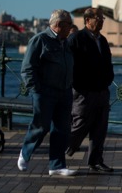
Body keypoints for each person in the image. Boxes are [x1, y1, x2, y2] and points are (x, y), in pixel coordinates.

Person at [17, 9, 76, 176]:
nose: (70, 28)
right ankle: (25, 153)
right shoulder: (40, 40)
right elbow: (27, 68)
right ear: (58, 25)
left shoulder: (65, 42)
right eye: (68, 25)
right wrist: (36, 90)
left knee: (61, 129)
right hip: (45, 92)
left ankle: (57, 165)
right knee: (41, 126)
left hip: (64, 91)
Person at [66, 7, 115, 173]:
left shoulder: (102, 40)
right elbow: (69, 65)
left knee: (100, 129)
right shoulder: (76, 39)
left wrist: (109, 79)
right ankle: (62, 151)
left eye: (102, 18)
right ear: (88, 20)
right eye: (98, 18)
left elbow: (108, 62)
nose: (101, 21)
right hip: (84, 92)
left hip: (102, 90)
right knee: (79, 125)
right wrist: (79, 87)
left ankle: (96, 161)